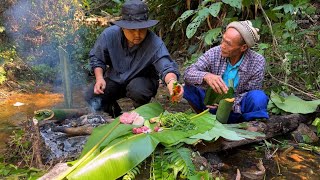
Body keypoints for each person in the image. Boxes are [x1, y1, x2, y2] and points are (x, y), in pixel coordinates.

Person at [86, 0, 183, 117]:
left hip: (141, 81)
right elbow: (97, 58)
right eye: (132, 30)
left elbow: (166, 66)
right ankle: (114, 115)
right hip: (115, 79)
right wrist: (99, 78)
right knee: (92, 95)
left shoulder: (154, 42)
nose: (137, 35)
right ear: (122, 27)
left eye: (142, 29)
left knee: (138, 90)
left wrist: (172, 82)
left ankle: (141, 114)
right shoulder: (109, 35)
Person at [183, 20, 269, 123]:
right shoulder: (215, 52)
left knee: (258, 97)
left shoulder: (257, 61)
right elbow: (188, 72)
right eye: (223, 40)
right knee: (188, 86)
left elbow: (251, 92)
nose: (222, 45)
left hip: (237, 110)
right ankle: (202, 118)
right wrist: (206, 75)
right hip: (211, 106)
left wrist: (227, 104)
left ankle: (251, 125)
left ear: (243, 47)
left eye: (228, 44)